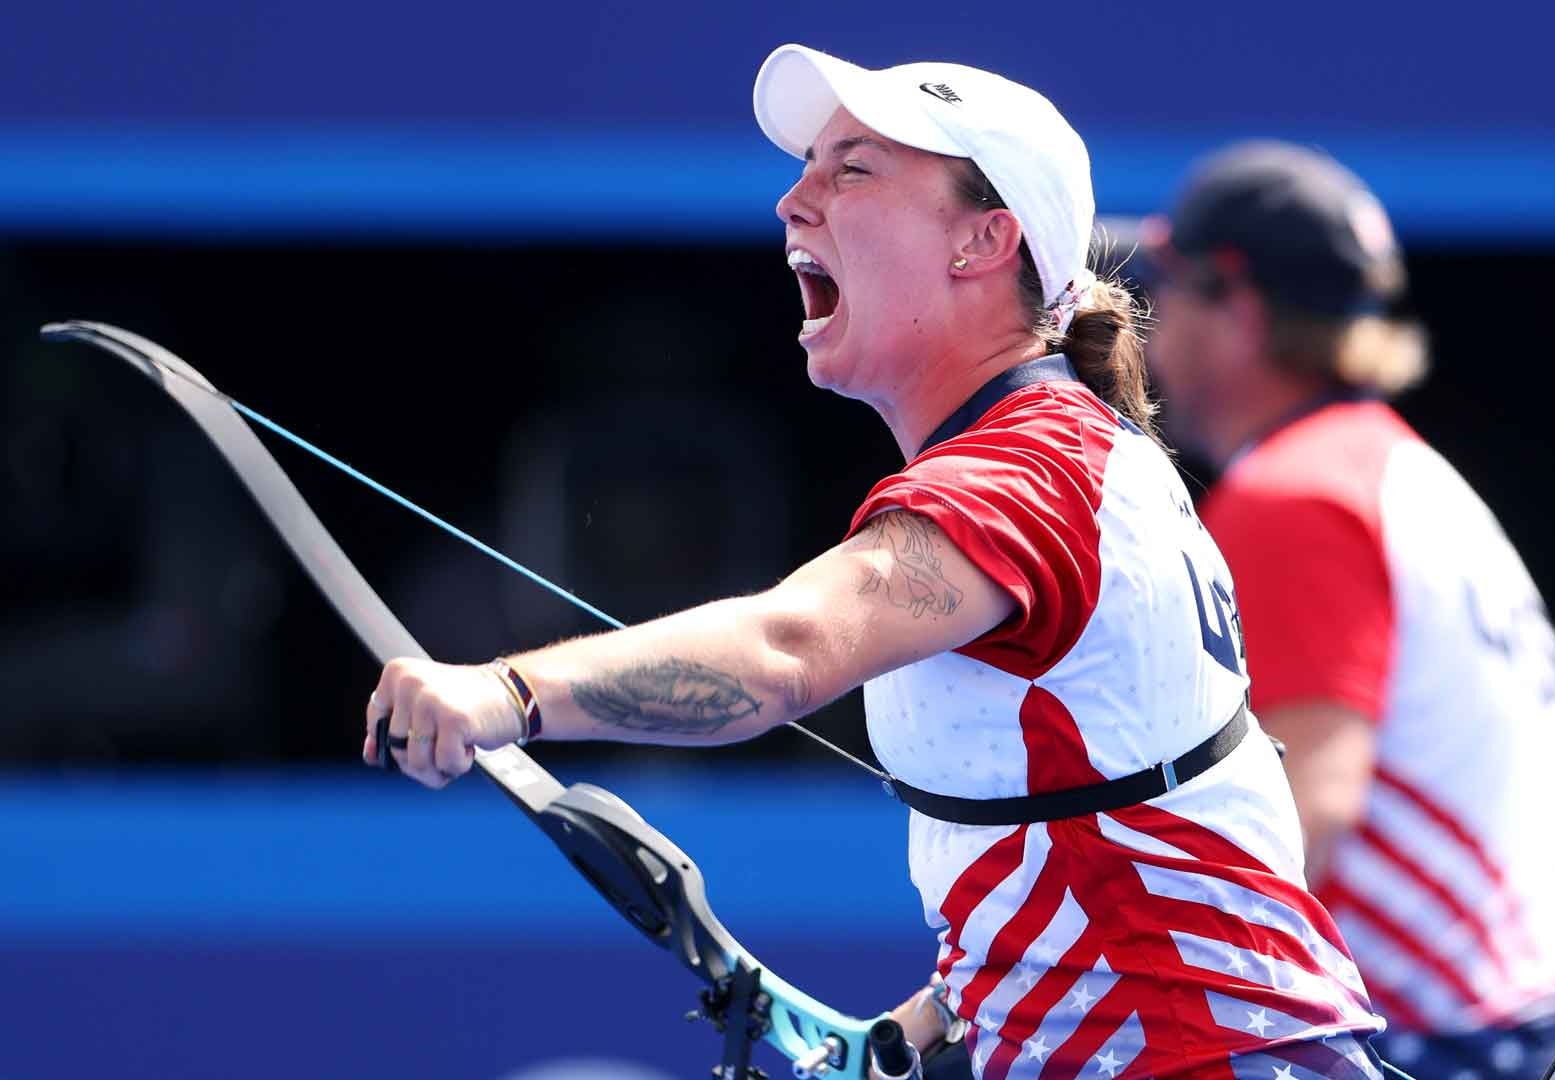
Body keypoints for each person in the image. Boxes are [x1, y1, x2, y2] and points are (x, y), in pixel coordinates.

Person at [364, 48, 1388, 1080]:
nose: (793, 202)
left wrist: (508, 691)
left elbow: (785, 650)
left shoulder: (1028, 468)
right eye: (810, 167)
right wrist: (939, 1015)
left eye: (850, 171)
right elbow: (1114, 815)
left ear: (986, 240)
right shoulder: (1077, 446)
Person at [1132, 141, 1555, 1077]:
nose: (1145, 328)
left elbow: (1296, 825)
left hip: (1451, 1050)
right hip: (1529, 1034)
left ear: (1238, 306)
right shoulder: (1389, 469)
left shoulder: (1296, 493)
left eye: (1164, 285)